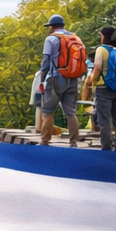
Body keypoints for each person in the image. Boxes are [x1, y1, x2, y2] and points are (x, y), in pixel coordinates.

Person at [37, 14, 82, 148]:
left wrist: (42, 79)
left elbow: (46, 61)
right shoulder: (75, 38)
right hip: (73, 78)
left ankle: (45, 141)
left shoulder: (51, 39)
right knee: (71, 112)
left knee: (47, 111)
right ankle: (73, 143)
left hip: (55, 78)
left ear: (52, 27)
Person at [83, 25, 116, 152]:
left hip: (104, 88)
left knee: (104, 120)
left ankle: (107, 149)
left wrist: (91, 80)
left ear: (104, 36)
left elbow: (97, 67)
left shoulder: (101, 49)